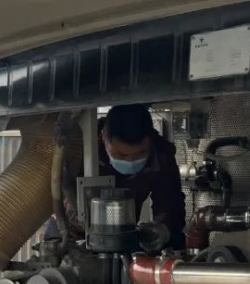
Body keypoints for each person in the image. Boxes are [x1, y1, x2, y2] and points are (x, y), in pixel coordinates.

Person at [53, 103, 187, 248]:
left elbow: (170, 203)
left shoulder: (160, 154)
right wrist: (71, 209)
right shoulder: (78, 147)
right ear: (104, 137)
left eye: (141, 153)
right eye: (121, 155)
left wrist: (162, 230)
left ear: (150, 140)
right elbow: (53, 188)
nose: (131, 160)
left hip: (124, 235)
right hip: (69, 233)